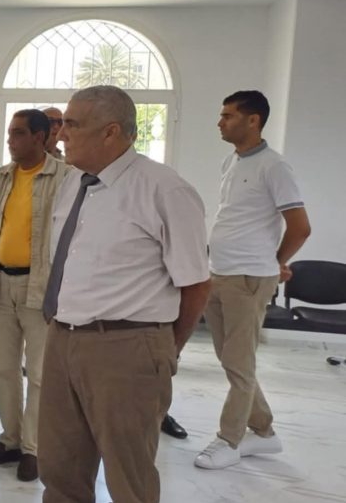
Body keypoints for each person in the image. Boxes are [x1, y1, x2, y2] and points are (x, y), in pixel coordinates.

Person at [38, 85, 210, 503]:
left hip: (126, 347)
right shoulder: (74, 182)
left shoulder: (163, 189)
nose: (60, 134)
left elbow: (196, 283)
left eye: (72, 124)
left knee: (128, 477)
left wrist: (162, 348)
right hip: (63, 338)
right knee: (60, 470)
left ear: (110, 132)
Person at [194, 90, 311, 470]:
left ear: (253, 120)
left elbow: (300, 227)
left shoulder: (274, 166)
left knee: (238, 362)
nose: (220, 122)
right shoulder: (231, 161)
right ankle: (264, 431)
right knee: (232, 360)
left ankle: (230, 439)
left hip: (248, 278)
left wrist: (275, 263)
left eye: (228, 115)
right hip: (220, 273)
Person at [0, 109, 68, 482]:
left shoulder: (65, 178)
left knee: (41, 374)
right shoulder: (2, 177)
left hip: (40, 288)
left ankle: (33, 448)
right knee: (4, 368)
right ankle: (11, 440)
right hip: (0, 285)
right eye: (10, 133)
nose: (10, 140)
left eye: (18, 133)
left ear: (40, 137)